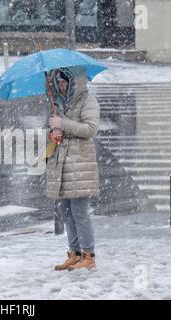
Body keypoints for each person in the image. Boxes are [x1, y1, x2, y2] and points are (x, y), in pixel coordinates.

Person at [45, 66, 100, 271]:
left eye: (64, 81)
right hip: (63, 164)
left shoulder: (87, 101)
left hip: (79, 164)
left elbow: (90, 129)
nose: (60, 85)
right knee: (66, 211)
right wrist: (54, 131)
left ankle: (88, 255)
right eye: (58, 82)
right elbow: (57, 127)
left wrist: (63, 124)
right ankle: (74, 253)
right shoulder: (62, 102)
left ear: (74, 82)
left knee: (80, 211)